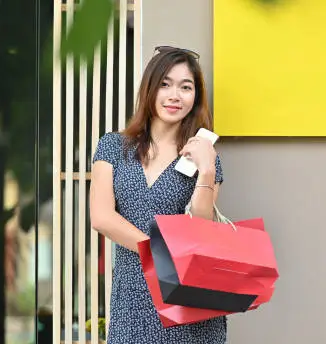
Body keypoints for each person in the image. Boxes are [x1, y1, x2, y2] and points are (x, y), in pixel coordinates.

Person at [89, 46, 226, 343]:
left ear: (196, 97)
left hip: (187, 305)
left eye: (185, 87)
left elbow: (201, 228)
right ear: (150, 89)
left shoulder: (205, 156)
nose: (175, 95)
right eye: (165, 84)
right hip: (132, 300)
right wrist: (159, 256)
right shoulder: (113, 146)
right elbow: (101, 217)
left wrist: (206, 170)